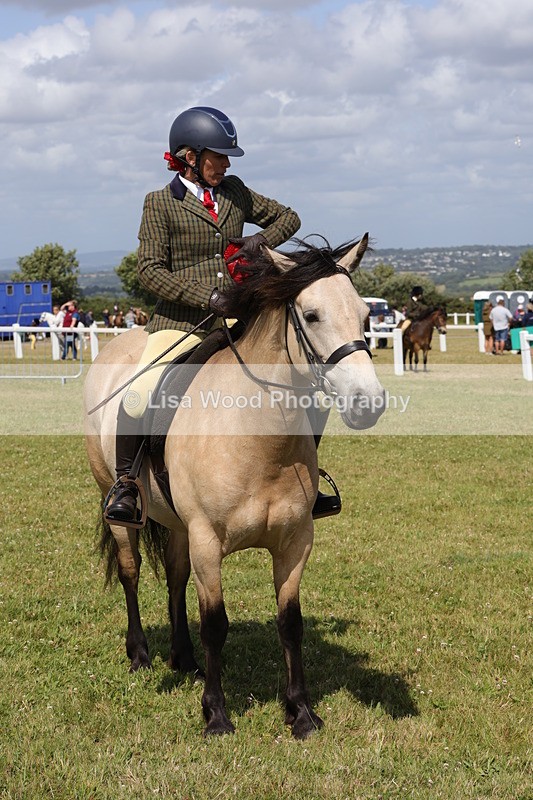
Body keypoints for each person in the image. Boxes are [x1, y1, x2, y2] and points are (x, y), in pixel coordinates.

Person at [105, 105, 340, 525]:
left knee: (312, 390)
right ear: (190, 157)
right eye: (219, 156)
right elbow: (149, 270)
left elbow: (289, 217)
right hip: (180, 323)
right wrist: (207, 297)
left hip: (241, 320)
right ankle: (127, 485)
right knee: (139, 394)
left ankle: (306, 479)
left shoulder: (234, 191)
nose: (227, 164)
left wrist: (258, 242)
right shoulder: (160, 203)